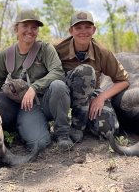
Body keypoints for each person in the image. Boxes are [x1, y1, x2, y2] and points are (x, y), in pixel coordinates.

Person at [0, 9, 73, 151]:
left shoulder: (46, 49)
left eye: (34, 27)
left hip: (49, 100)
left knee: (59, 85)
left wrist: (35, 87)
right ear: (16, 28)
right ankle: (40, 127)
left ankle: (62, 133)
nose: (30, 31)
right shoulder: (6, 55)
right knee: (39, 144)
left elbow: (58, 72)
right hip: (28, 107)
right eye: (25, 26)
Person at [55, 10, 129, 143]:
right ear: (71, 30)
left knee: (109, 131)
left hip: (90, 96)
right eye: (78, 27)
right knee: (86, 71)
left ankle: (87, 119)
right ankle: (76, 127)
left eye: (88, 27)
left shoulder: (103, 52)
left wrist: (102, 97)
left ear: (94, 30)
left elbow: (123, 81)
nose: (83, 31)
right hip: (62, 95)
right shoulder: (57, 49)